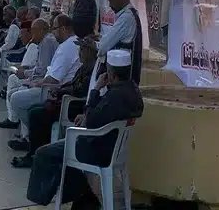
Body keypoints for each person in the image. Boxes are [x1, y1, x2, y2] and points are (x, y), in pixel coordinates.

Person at [26, 49, 144, 208]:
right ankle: (81, 198)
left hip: (95, 147)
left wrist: (96, 89)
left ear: (112, 75)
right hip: (114, 147)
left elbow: (92, 120)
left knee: (44, 154)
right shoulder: (132, 90)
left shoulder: (114, 96)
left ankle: (40, 198)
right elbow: (100, 115)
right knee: (64, 162)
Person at [11, 35, 97, 168]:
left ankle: (35, 155)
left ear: (90, 52)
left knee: (36, 114)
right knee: (34, 109)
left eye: (83, 50)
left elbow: (79, 89)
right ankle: (37, 149)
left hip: (74, 106)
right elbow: (72, 83)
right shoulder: (84, 67)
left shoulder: (92, 69)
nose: (79, 52)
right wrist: (61, 89)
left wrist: (61, 91)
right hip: (66, 101)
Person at [8, 14, 81, 151]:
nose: (52, 32)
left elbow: (52, 79)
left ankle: (36, 137)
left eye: (54, 28)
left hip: (53, 91)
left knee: (16, 98)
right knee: (17, 93)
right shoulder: (68, 44)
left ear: (64, 29)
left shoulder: (66, 47)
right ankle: (33, 136)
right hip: (54, 88)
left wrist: (36, 83)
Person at [0, 18, 59, 129]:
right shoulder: (44, 42)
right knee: (13, 90)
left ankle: (31, 132)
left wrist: (25, 73)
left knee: (15, 97)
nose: (32, 34)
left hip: (45, 85)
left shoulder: (46, 42)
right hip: (40, 80)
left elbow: (42, 70)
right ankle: (19, 125)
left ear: (40, 31)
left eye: (33, 31)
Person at [97, 0, 143, 85]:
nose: (109, 5)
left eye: (111, 0)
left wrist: (94, 45)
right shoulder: (129, 15)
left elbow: (103, 46)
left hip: (122, 82)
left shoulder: (126, 18)